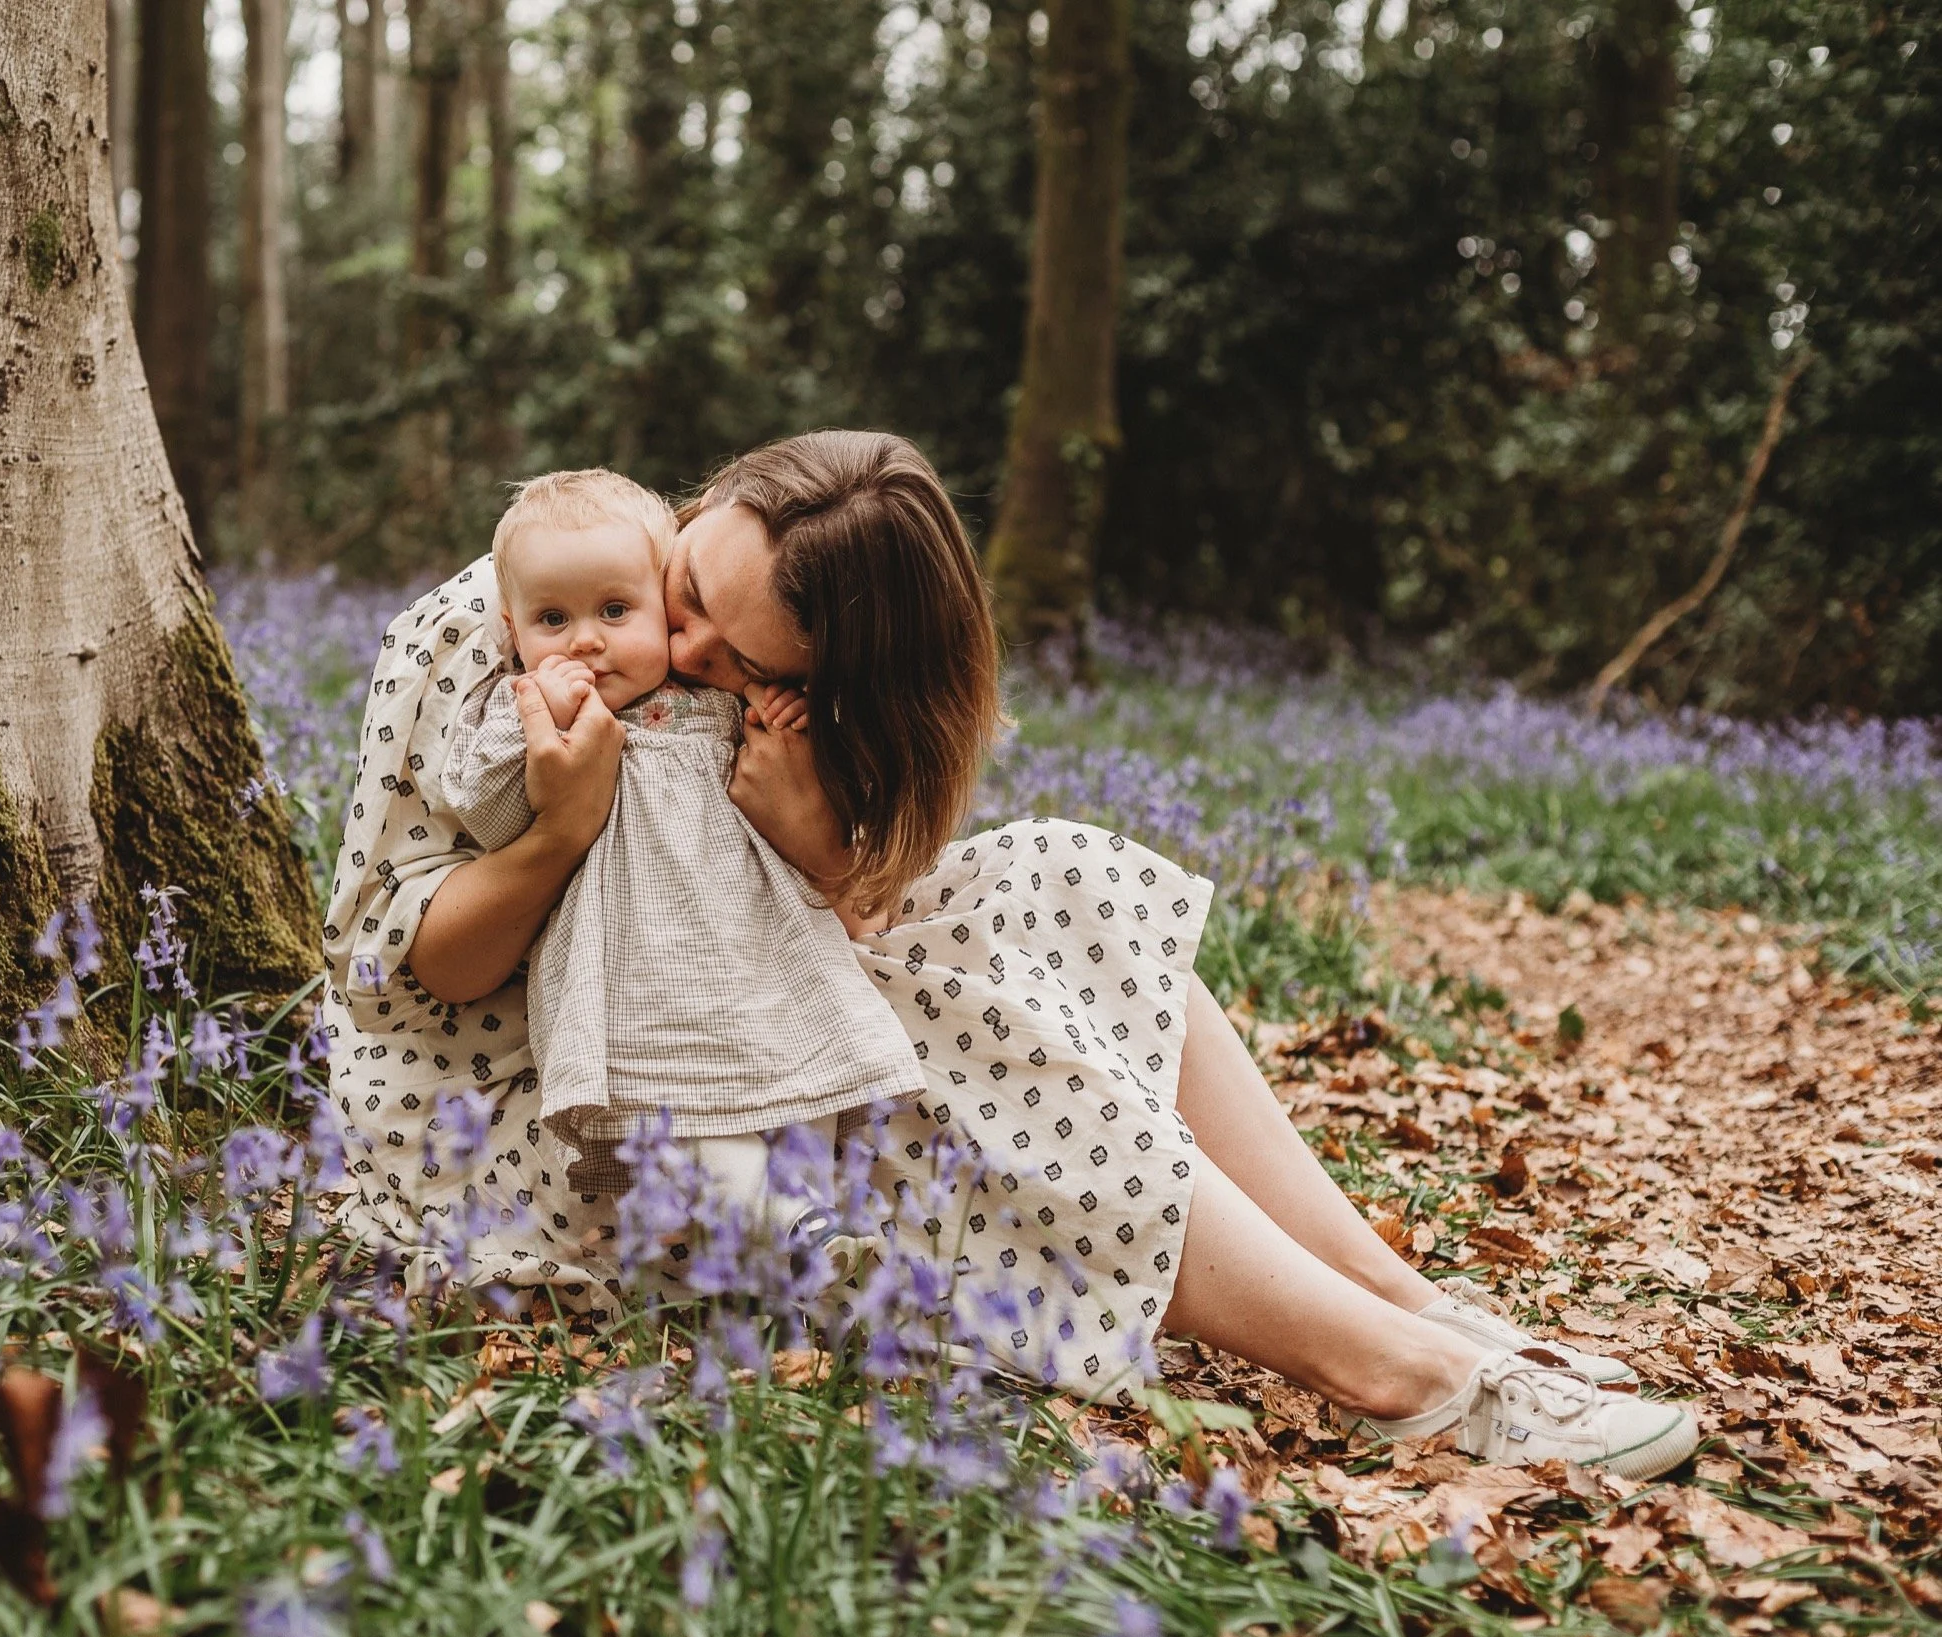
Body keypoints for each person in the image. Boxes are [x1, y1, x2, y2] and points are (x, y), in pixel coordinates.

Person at [321, 430, 1700, 1478]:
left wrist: (823, 839)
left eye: (731, 653)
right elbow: (405, 978)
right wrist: (559, 827)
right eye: (685, 580)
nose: (670, 645)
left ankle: (1412, 1296)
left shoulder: (770, 693)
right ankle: (1398, 1372)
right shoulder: (515, 621)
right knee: (961, 1032)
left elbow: (832, 908)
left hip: (744, 1001)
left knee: (1061, 878)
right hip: (543, 1097)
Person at [439, 469, 917, 1256]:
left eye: (616, 612)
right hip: (643, 973)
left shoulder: (719, 696)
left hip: (761, 949)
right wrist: (542, 742)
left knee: (801, 1074)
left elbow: (827, 808)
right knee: (688, 1108)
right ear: (510, 630)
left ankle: (807, 1219)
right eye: (551, 619)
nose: (585, 641)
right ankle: (792, 1236)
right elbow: (486, 816)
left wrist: (790, 724)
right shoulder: (530, 709)